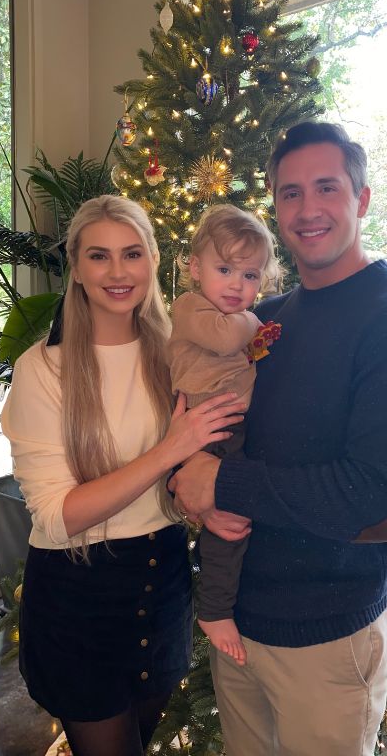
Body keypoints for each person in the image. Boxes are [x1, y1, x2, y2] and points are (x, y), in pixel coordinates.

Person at [169, 121, 387, 756]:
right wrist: (186, 485)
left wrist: (219, 482)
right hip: (237, 625)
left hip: (328, 644)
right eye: (290, 193)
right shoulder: (258, 323)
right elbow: (190, 430)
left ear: (361, 198)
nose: (307, 208)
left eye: (326, 187)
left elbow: (377, 504)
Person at [0, 195, 246, 756]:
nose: (117, 272)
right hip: (77, 592)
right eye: (98, 256)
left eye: (131, 254)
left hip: (161, 582)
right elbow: (57, 518)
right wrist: (169, 450)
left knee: (140, 739)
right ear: (77, 269)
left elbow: (197, 465)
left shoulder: (177, 355)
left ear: (153, 260)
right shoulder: (44, 368)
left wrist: (205, 501)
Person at [167, 204, 282, 666]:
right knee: (227, 523)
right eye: (225, 269)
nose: (238, 285)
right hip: (206, 423)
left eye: (251, 275)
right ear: (195, 269)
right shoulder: (192, 306)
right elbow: (221, 339)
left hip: (227, 424)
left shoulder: (232, 315)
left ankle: (217, 600)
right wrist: (255, 322)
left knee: (232, 520)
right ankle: (213, 609)